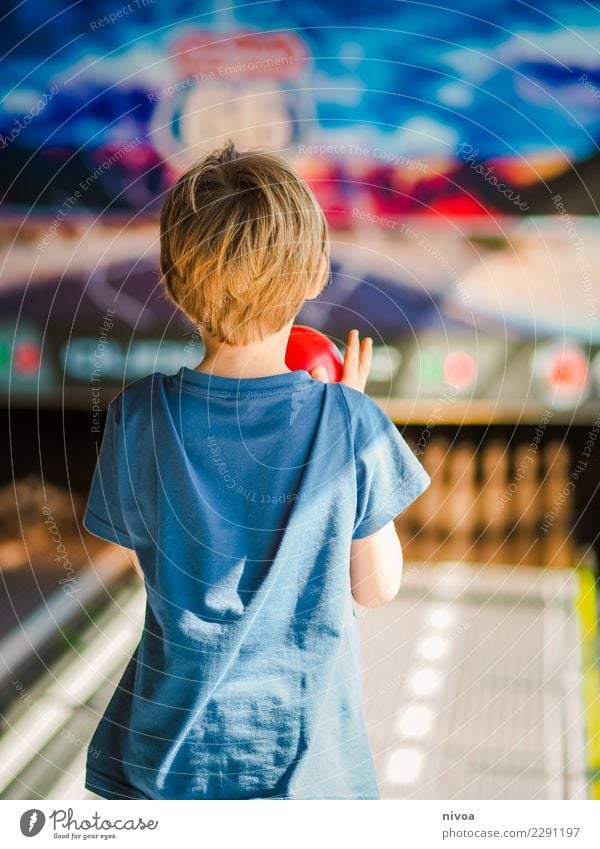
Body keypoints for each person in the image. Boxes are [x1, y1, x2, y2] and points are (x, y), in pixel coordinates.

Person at [83, 140, 430, 800]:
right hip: (302, 774)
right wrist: (349, 413)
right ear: (314, 273)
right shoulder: (350, 425)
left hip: (165, 767)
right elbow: (377, 586)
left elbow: (151, 566)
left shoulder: (139, 417)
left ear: (174, 280)